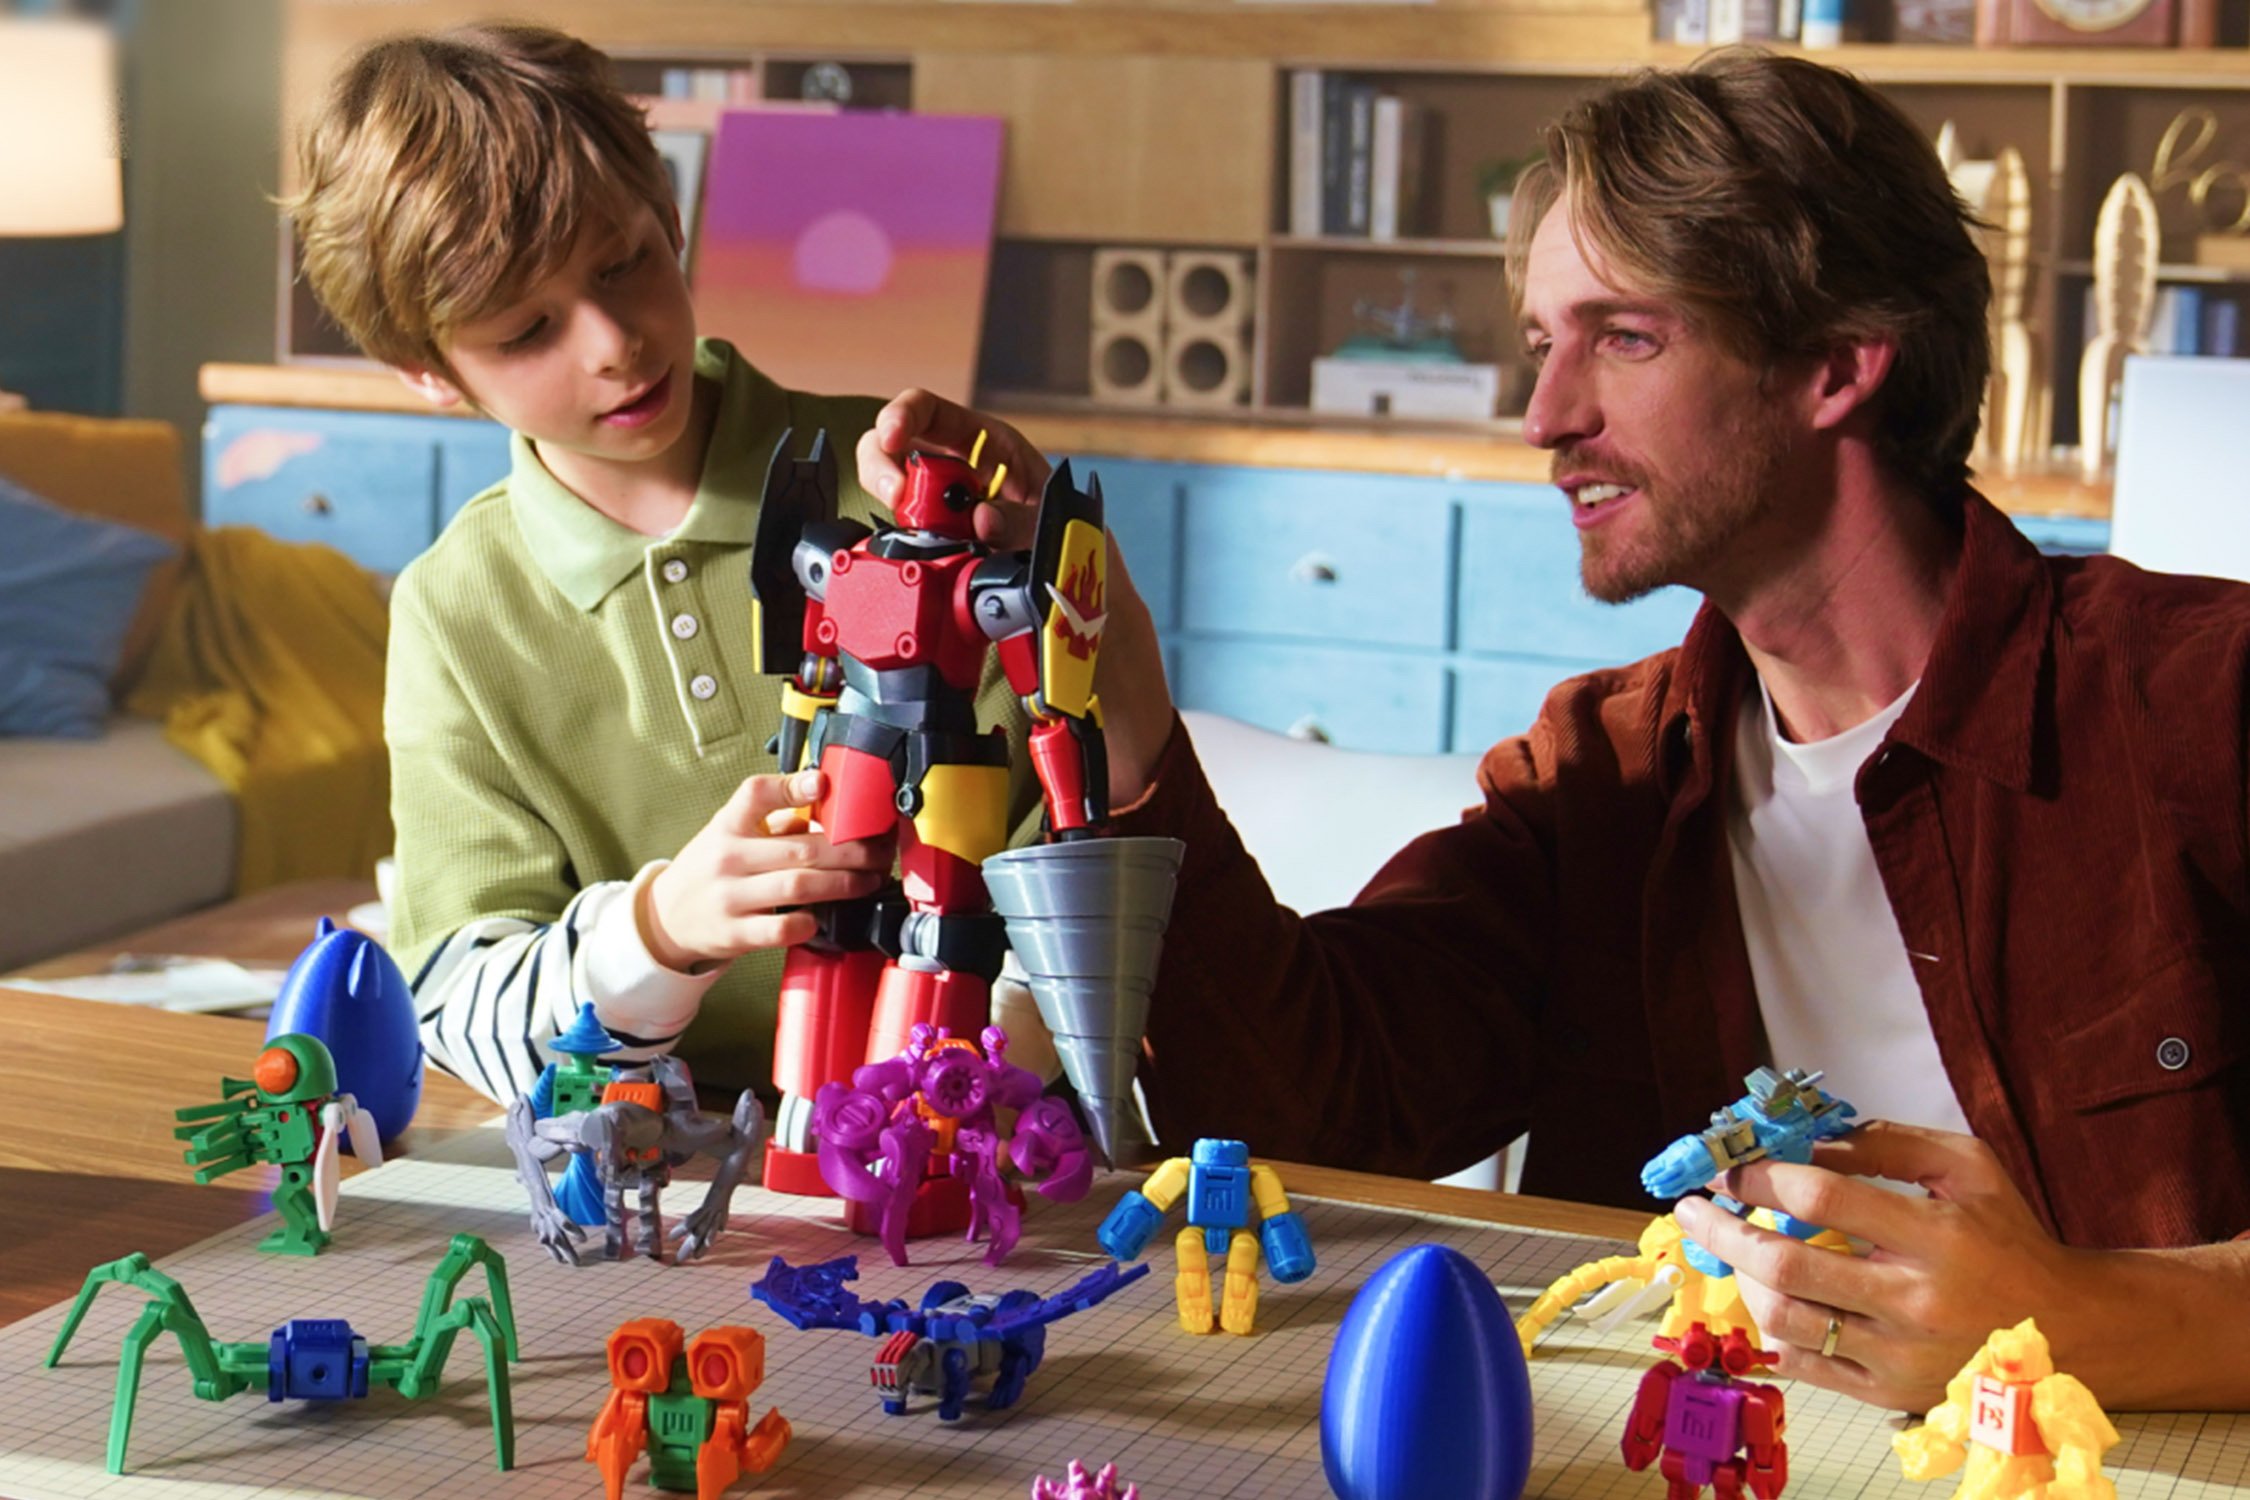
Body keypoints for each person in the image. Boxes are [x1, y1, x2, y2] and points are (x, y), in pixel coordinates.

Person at [916, 50, 2250, 1415]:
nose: (1546, 416)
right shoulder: (1599, 778)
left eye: (1623, 337)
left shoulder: (2197, 703)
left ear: (1836, 367)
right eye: (1541, 343)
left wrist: (2077, 1317)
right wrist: (1124, 687)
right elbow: (1309, 1103)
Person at [283, 23, 1048, 1111]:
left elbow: (1081, 855)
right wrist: (659, 931)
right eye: (527, 329)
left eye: (623, 264)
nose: (610, 342)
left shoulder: (905, 488)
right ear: (429, 372)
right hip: (668, 1159)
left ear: (671, 217)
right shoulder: (457, 611)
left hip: (981, 1132)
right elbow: (453, 1006)